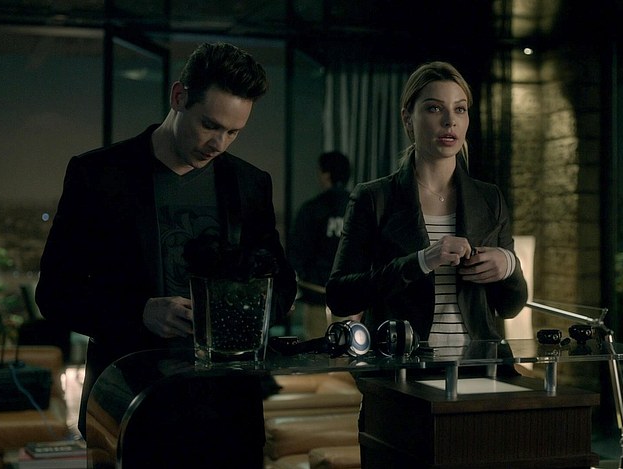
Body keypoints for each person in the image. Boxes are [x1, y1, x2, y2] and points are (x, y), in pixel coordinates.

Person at [35, 42, 297, 454]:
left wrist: (234, 311)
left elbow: (281, 286)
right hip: (131, 406)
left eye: (233, 132)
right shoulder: (98, 175)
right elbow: (54, 294)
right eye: (210, 125)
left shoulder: (250, 184)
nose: (219, 144)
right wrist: (139, 312)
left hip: (228, 414)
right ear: (178, 97)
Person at [326, 61, 527, 360]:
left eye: (460, 109)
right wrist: (421, 261)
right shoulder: (373, 198)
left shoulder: (489, 198)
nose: (450, 121)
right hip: (402, 368)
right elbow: (340, 297)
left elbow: (510, 307)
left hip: (477, 367)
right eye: (434, 108)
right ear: (408, 118)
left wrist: (509, 265)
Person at [288, 151, 352, 340]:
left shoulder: (312, 209)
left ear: (325, 174)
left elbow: (296, 252)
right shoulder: (358, 207)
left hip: (316, 295)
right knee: (350, 349)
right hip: (351, 297)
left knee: (317, 349)